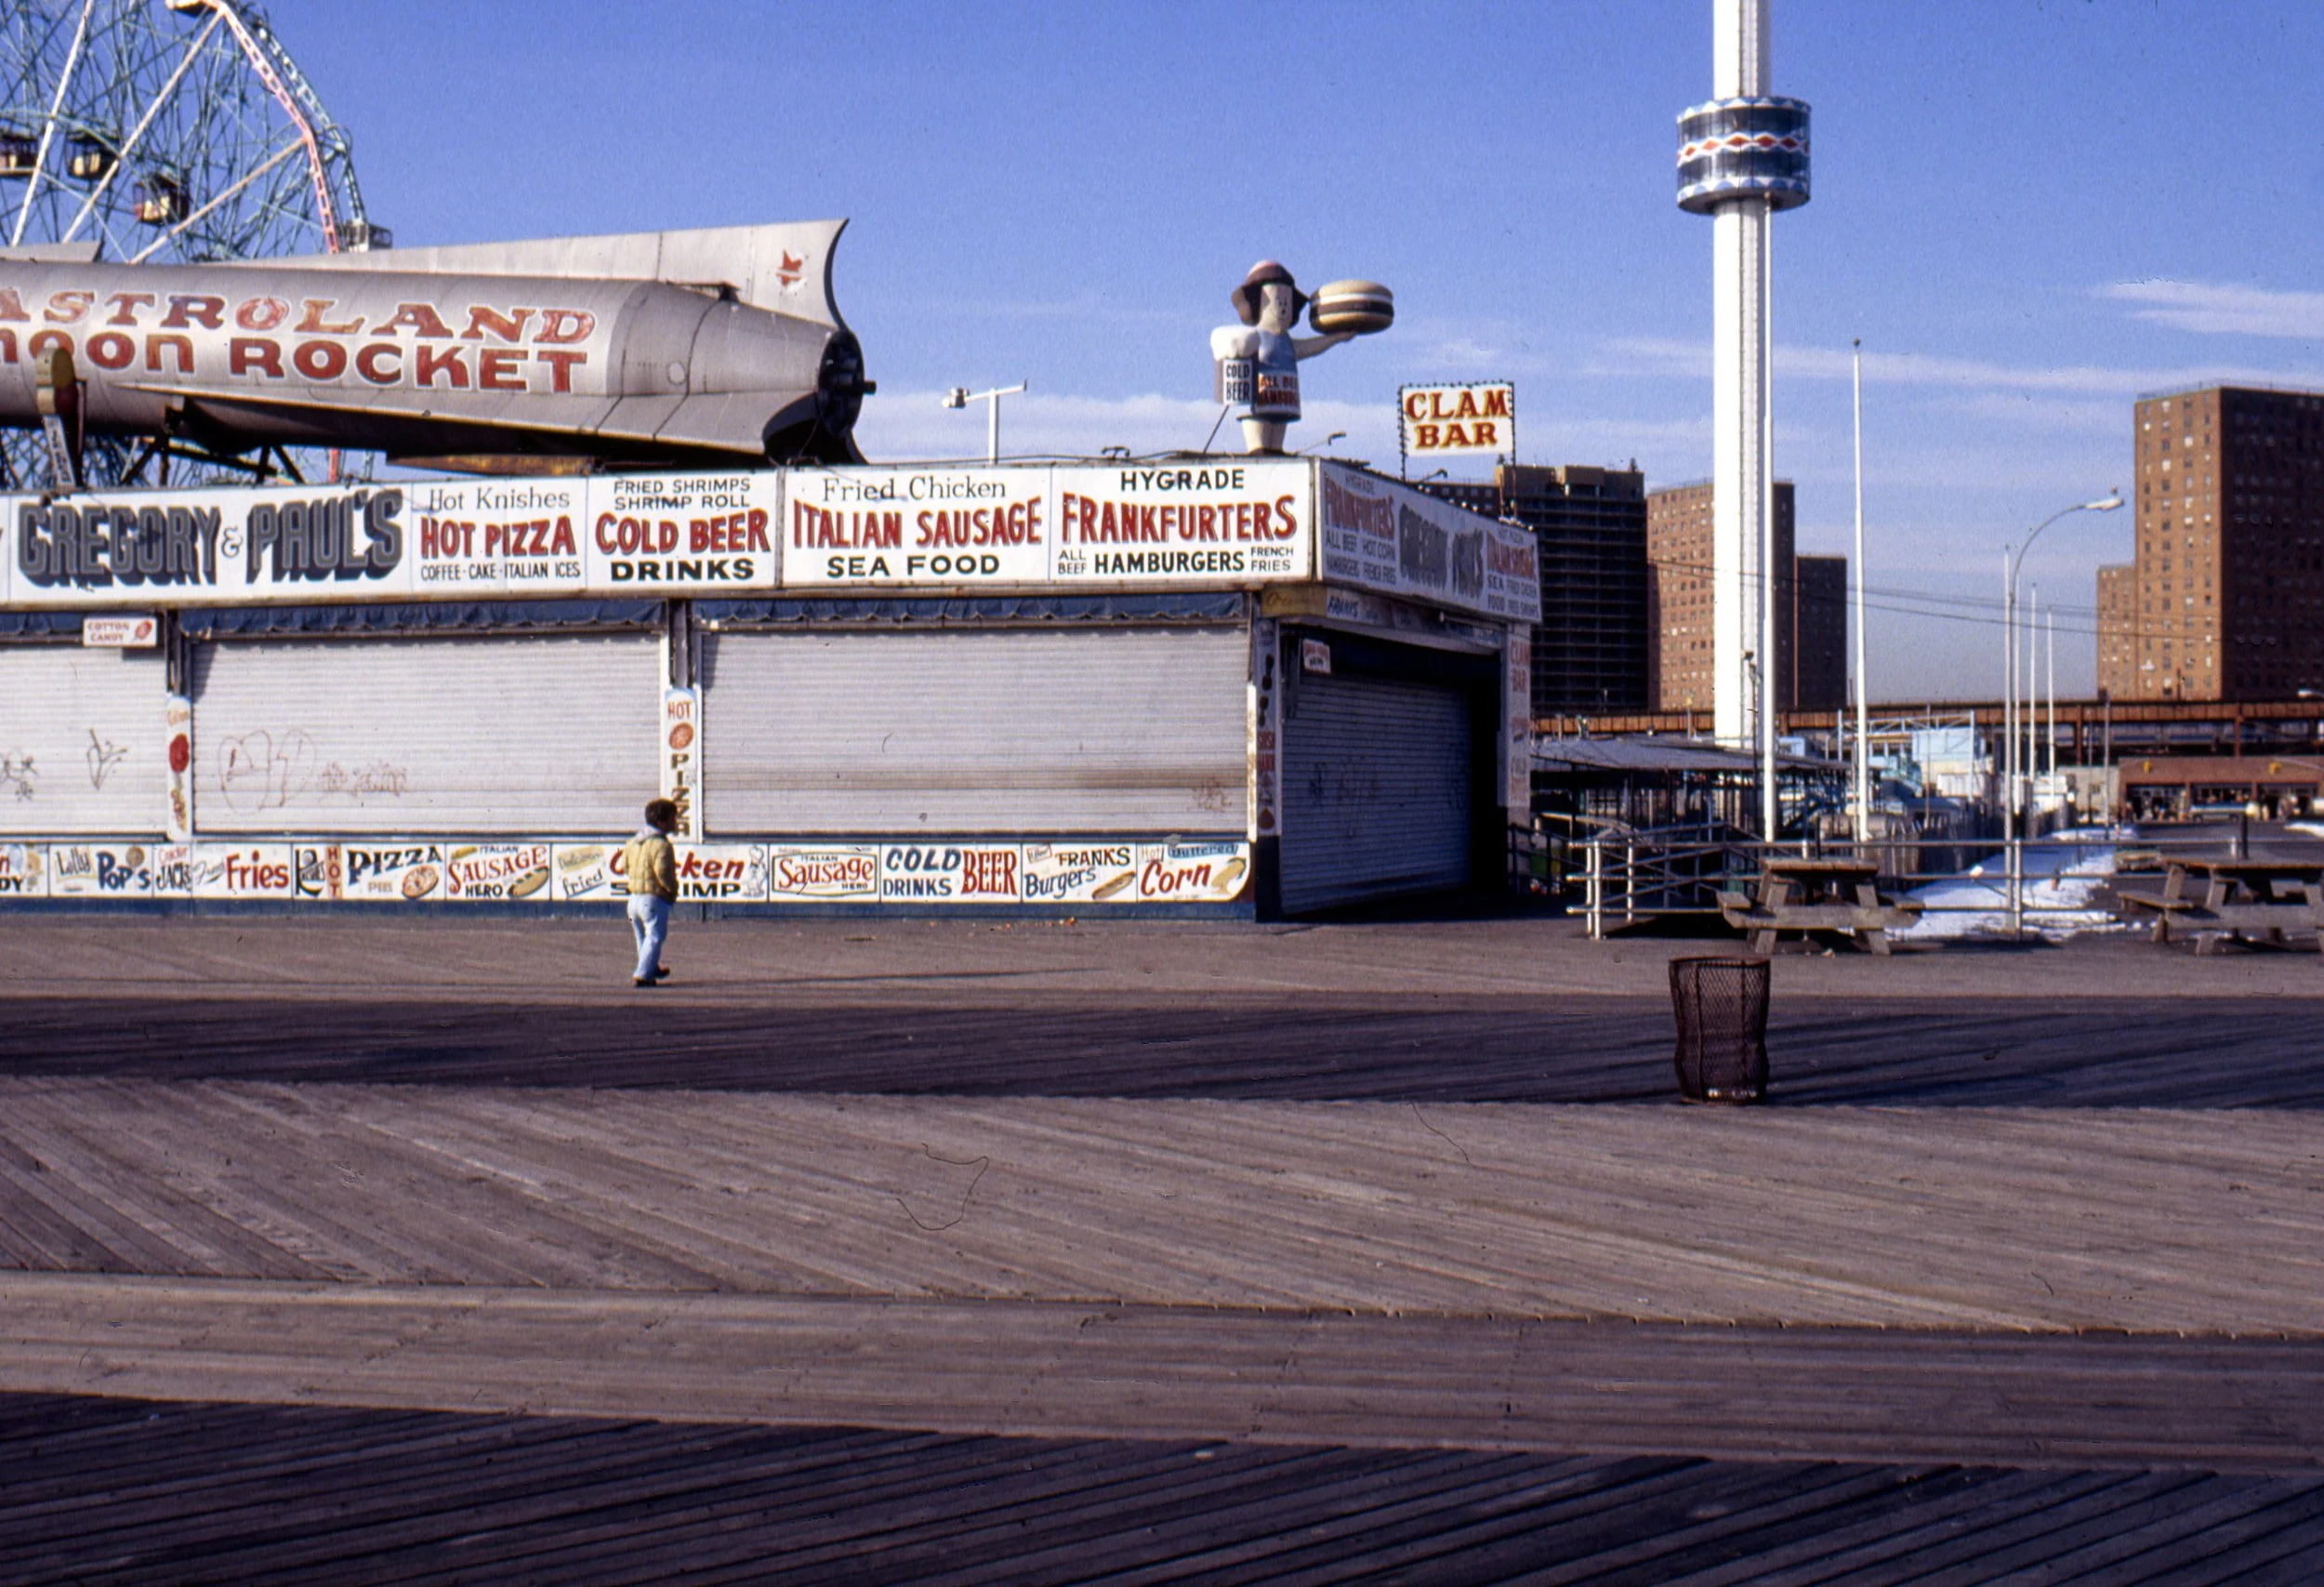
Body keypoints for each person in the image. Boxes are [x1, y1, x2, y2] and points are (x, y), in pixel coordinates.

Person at [1208, 260, 1354, 455]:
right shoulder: (1255, 337)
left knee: (1276, 447)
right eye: (1278, 301)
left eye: (1287, 301)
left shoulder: (1287, 342)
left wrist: (1336, 338)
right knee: (1259, 444)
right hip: (1259, 403)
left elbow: (1309, 347)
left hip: (1283, 401)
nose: (1284, 306)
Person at [622, 799, 679, 987]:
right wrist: (671, 890)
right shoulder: (661, 845)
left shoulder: (633, 842)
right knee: (655, 936)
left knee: (642, 938)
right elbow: (662, 872)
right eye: (673, 818)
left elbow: (624, 867)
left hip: (633, 900)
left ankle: (650, 967)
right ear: (662, 822)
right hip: (652, 899)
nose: (675, 822)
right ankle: (643, 974)